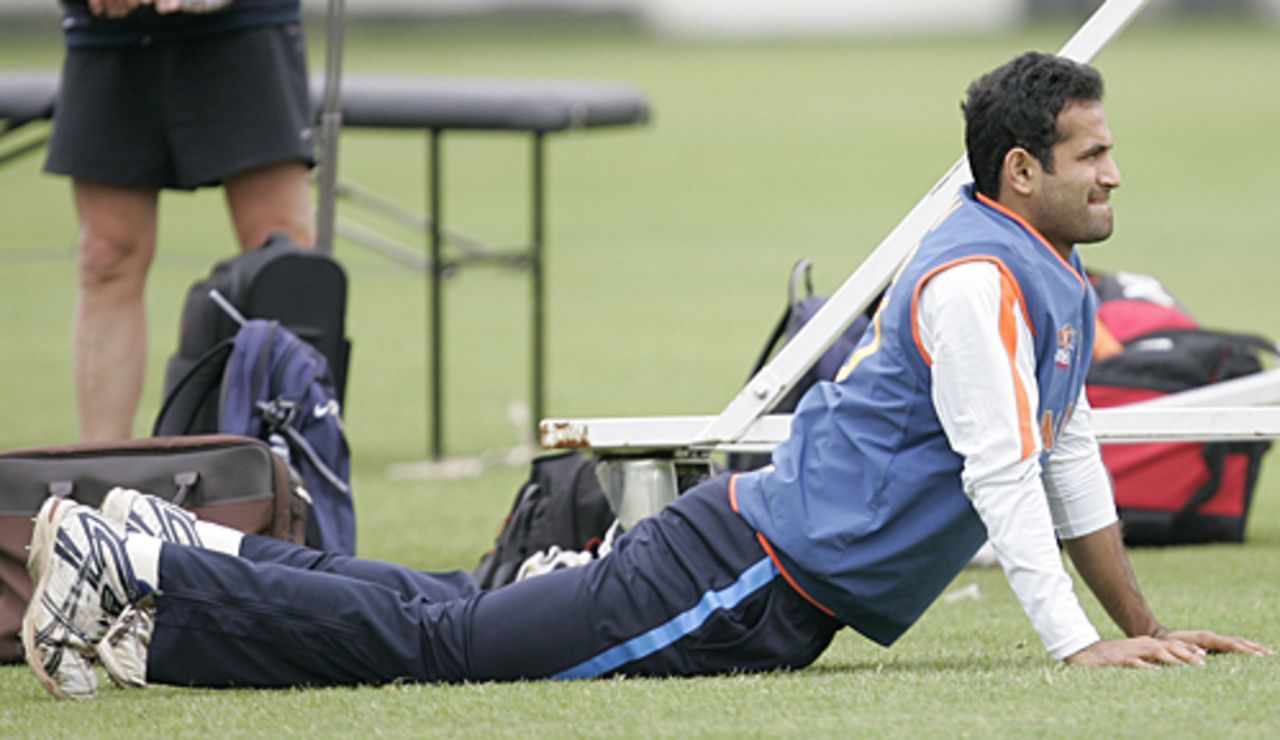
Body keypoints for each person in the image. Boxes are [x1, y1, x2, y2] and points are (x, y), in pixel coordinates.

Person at [22, 52, 1271, 700]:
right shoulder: (973, 281)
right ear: (1015, 171)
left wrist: (1147, 633)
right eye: (1089, 154)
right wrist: (1069, 650)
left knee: (452, 603)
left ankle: (177, 544)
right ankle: (141, 574)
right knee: (443, 645)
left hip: (740, 560)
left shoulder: (1033, 265)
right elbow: (1003, 472)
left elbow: (1062, 455)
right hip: (736, 580)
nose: (1112, 173)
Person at [47, 0, 315, 442]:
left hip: (244, 18)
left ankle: (290, 474)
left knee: (280, 255)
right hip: (109, 27)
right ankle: (101, 474)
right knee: (106, 254)